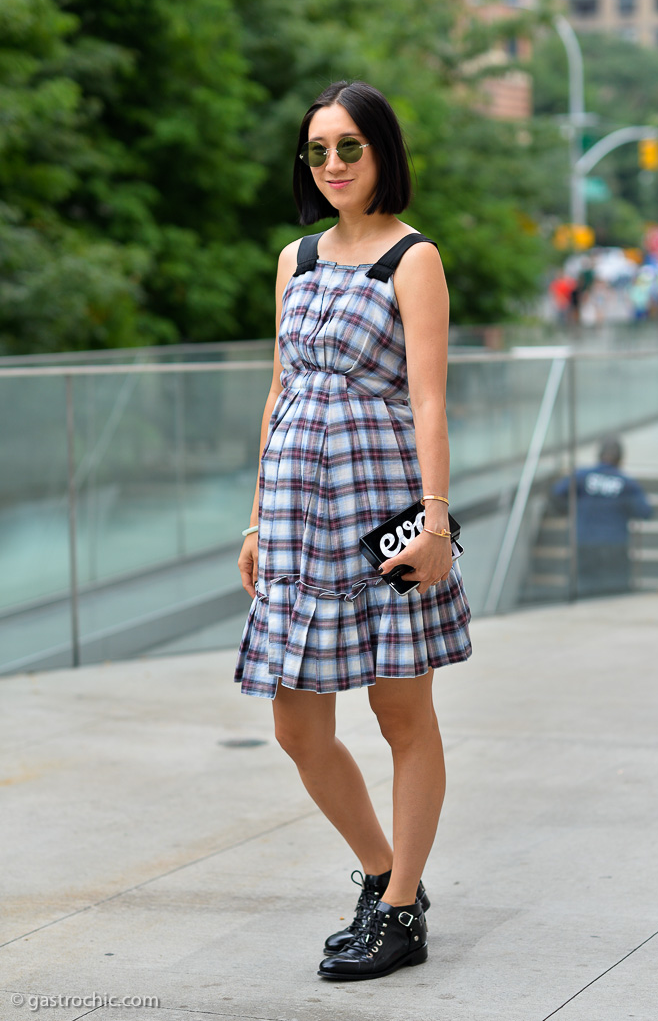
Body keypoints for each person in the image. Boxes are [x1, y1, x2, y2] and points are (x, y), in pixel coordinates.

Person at [234, 80, 472, 981]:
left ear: (382, 152)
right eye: (318, 150)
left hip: (382, 508)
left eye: (349, 148)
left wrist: (437, 523)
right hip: (297, 514)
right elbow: (279, 390)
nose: (332, 164)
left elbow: (428, 401)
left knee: (401, 713)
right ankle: (381, 873)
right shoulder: (295, 258)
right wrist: (257, 515)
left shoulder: (414, 259)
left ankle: (403, 907)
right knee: (298, 724)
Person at [551, 436, 652, 597]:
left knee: (584, 589)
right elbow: (645, 512)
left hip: (585, 542)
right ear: (620, 459)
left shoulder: (582, 476)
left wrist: (568, 510)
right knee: (617, 593)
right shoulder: (626, 483)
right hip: (615, 544)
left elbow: (557, 493)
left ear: (598, 455)